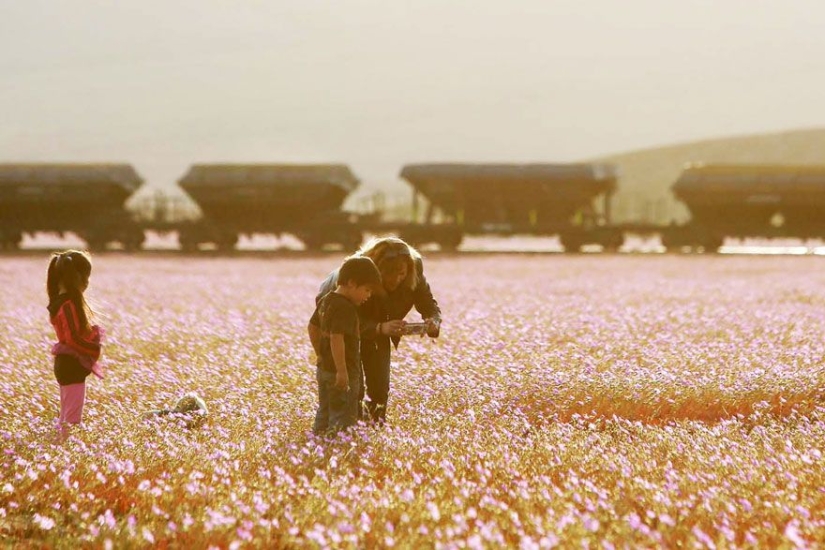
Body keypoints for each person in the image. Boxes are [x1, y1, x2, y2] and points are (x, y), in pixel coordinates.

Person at [316, 237, 442, 423]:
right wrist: (379, 328)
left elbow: (427, 303)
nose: (396, 279)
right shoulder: (356, 276)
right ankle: (346, 430)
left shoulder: (414, 272)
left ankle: (373, 428)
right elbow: (340, 322)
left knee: (379, 388)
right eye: (389, 274)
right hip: (344, 335)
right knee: (352, 386)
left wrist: (433, 320)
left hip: (380, 330)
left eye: (401, 273)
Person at [308, 256, 381, 435]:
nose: (368, 296)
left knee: (324, 411)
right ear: (351, 283)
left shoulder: (326, 300)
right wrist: (342, 370)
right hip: (344, 371)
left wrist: (320, 354)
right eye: (367, 290)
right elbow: (337, 337)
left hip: (324, 369)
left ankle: (318, 442)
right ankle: (336, 448)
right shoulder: (345, 308)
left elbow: (312, 327)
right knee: (344, 415)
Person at [46, 250, 105, 441]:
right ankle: (63, 448)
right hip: (71, 364)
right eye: (86, 277)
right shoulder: (68, 305)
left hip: (65, 363)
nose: (87, 283)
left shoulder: (59, 302)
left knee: (66, 414)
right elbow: (72, 338)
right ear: (78, 277)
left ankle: (59, 445)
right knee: (72, 419)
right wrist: (94, 348)